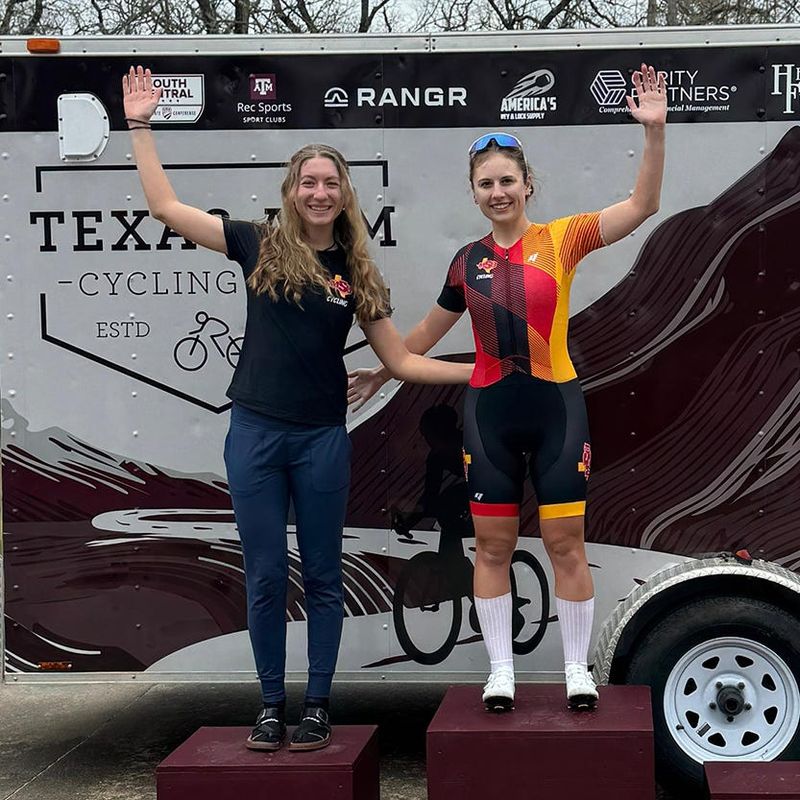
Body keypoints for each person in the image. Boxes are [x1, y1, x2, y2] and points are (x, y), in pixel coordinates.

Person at [122, 66, 472, 750]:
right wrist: (140, 126)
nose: (319, 191)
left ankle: (316, 708)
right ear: (291, 192)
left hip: (321, 441)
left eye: (330, 183)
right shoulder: (258, 244)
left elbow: (399, 360)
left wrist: (480, 371)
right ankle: (269, 707)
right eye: (308, 182)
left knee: (320, 575)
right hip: (253, 434)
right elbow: (166, 210)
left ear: (344, 196)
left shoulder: (357, 273)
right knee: (264, 575)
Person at [348, 63, 667, 711]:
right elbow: (425, 337)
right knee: (491, 545)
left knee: (564, 543)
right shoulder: (465, 263)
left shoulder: (564, 238)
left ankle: (578, 670)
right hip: (489, 414)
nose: (498, 192)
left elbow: (643, 207)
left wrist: (654, 135)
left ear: (527, 185)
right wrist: (384, 368)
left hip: (557, 410)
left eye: (507, 181)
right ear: (474, 193)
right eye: (486, 184)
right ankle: (501, 672)